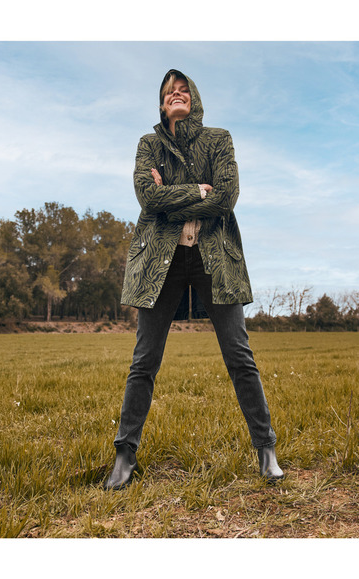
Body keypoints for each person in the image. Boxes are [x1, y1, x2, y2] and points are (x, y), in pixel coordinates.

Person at [104, 69, 283, 490]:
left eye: (183, 89)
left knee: (240, 356)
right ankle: (124, 456)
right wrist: (198, 192)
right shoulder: (149, 144)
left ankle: (266, 448)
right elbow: (148, 198)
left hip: (214, 258)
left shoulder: (219, 140)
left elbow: (228, 195)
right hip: (160, 263)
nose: (177, 94)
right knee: (143, 362)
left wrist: (176, 196)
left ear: (194, 98)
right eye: (169, 92)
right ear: (162, 104)